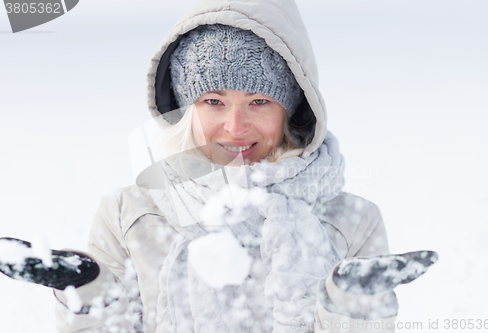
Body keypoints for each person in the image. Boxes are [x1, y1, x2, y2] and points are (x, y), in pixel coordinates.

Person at [0, 0, 438, 332]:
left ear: (293, 109)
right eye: (213, 101)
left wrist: (350, 301)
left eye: (259, 102)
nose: (235, 126)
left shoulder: (351, 220)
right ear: (187, 108)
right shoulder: (129, 212)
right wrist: (85, 286)